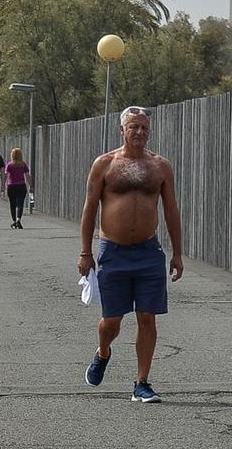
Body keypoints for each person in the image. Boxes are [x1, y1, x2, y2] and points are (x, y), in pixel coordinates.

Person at [78, 106, 184, 402]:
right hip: (113, 251)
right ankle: (103, 352)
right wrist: (85, 252)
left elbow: (171, 210)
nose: (139, 133)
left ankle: (142, 382)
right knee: (111, 321)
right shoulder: (105, 164)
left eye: (144, 129)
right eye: (134, 127)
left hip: (149, 252)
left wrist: (178, 253)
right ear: (122, 130)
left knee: (147, 317)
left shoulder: (160, 166)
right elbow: (89, 209)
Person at [4, 148, 31, 228]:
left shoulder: (9, 165)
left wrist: (3, 185)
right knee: (20, 203)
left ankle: (14, 221)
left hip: (11, 186)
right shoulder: (23, 164)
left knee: (12, 204)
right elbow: (27, 176)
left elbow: (6, 175)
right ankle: (18, 219)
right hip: (21, 186)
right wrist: (31, 185)